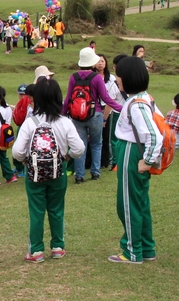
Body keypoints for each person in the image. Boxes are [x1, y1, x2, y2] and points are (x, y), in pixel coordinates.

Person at [13, 77, 84, 262]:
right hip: (58, 172)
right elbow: (79, 149)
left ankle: (36, 251)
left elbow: (17, 152)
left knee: (36, 211)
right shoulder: (65, 122)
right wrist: (66, 156)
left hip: (35, 173)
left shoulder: (30, 122)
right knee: (56, 209)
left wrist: (27, 161)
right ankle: (58, 247)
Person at [110, 56, 162, 264]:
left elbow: (154, 135)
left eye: (119, 75)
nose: (117, 79)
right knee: (140, 202)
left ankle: (132, 250)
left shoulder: (136, 104)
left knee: (128, 204)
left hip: (132, 152)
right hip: (133, 151)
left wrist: (147, 160)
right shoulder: (144, 98)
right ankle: (146, 247)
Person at [64, 47, 123, 184]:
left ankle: (79, 175)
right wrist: (123, 108)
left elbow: (68, 98)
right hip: (95, 114)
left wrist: (62, 114)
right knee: (96, 144)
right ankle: (95, 172)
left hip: (77, 116)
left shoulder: (74, 77)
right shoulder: (96, 78)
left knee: (80, 145)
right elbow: (106, 98)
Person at [0, 86, 19, 186]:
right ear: (4, 95)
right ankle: (10, 175)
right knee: (3, 155)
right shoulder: (8, 108)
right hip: (6, 133)